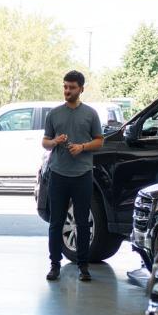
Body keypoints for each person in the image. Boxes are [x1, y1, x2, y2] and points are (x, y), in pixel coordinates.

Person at [42, 70, 104, 282]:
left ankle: (83, 266)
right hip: (58, 174)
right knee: (56, 222)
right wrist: (55, 142)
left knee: (82, 222)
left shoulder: (90, 114)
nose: (67, 91)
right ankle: (54, 265)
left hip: (82, 175)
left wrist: (82, 147)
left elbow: (99, 141)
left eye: (72, 88)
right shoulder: (54, 114)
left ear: (81, 89)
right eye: (65, 87)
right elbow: (45, 142)